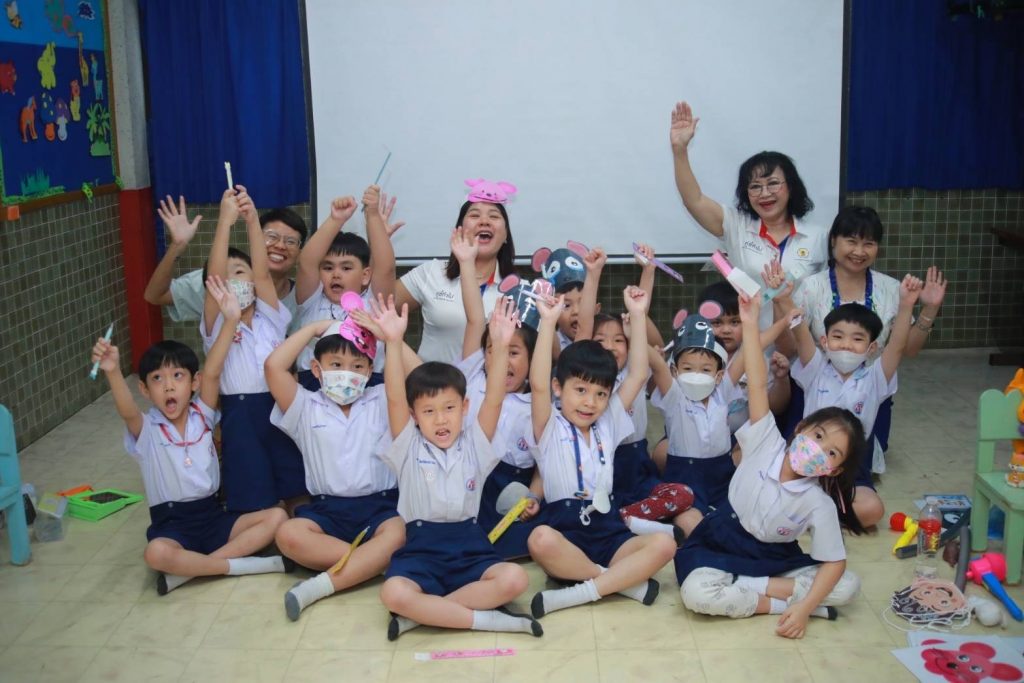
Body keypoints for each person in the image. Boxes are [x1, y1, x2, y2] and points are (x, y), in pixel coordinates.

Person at [676, 293, 862, 639]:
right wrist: (749, 323)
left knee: (847, 586)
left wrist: (804, 611)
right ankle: (775, 600)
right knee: (695, 594)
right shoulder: (766, 441)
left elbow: (836, 562)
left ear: (834, 470)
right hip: (722, 541)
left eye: (832, 453)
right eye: (818, 435)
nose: (818, 450)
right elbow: (758, 383)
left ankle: (751, 585)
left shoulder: (817, 502)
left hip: (774, 558)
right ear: (800, 428)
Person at [90, 277, 291, 595]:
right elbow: (128, 411)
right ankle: (237, 566)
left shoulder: (203, 415)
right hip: (172, 524)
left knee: (278, 517)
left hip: (213, 516)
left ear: (193, 383)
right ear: (144, 389)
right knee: (156, 553)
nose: (169, 386)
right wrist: (113, 371)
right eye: (157, 379)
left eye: (177, 376)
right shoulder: (148, 430)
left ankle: (193, 569)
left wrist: (231, 320)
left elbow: (213, 370)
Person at [374, 294, 542, 640]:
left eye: (449, 408)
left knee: (515, 579)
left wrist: (498, 343)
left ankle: (423, 616)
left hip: (470, 544)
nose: (441, 420)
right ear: (413, 415)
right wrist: (392, 343)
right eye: (429, 411)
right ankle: (492, 620)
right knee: (392, 593)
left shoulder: (475, 443)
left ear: (465, 407)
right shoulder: (408, 445)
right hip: (421, 546)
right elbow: (393, 396)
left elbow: (494, 397)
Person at [526, 286, 677, 618]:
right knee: (539, 539)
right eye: (579, 390)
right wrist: (548, 321)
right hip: (564, 529)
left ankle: (574, 594)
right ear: (558, 388)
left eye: (599, 393)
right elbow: (537, 383)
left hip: (606, 526)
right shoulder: (549, 425)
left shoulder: (608, 423)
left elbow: (638, 374)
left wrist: (637, 317)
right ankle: (620, 583)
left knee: (665, 544)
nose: (589, 402)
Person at [264, 307, 406, 621]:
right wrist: (315, 327)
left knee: (399, 533)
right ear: (317, 369)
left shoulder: (383, 397)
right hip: (328, 510)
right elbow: (273, 367)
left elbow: (421, 374)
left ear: (370, 371)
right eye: (336, 365)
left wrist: (392, 341)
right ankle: (373, 565)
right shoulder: (304, 405)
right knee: (288, 534)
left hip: (381, 508)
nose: (347, 373)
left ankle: (320, 586)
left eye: (357, 366)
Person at [791, 206, 948, 463]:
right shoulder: (811, 287)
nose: (859, 251)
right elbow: (796, 341)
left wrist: (929, 308)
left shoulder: (890, 288)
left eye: (869, 244)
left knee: (864, 456)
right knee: (809, 456)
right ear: (833, 241)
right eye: (851, 241)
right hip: (817, 392)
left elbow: (908, 349)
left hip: (869, 392)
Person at [640, 298, 800, 536]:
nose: (696, 374)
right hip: (684, 476)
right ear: (675, 371)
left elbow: (751, 348)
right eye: (687, 368)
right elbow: (655, 363)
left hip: (720, 475)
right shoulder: (674, 395)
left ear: (718, 374)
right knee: (690, 523)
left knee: (739, 518)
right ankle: (658, 518)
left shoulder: (723, 389)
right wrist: (635, 319)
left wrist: (784, 322)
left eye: (705, 369)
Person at [669, 101, 828, 331]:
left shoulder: (818, 237)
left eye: (773, 184)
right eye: (755, 187)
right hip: (750, 349)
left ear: (791, 187)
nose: (765, 194)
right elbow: (694, 200)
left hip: (803, 353)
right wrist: (679, 151)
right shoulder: (736, 225)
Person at [781, 273, 924, 527]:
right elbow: (801, 332)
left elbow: (897, 346)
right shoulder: (814, 368)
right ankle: (817, 509)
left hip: (850, 465)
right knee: (773, 496)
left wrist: (906, 306)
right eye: (838, 337)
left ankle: (816, 511)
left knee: (872, 510)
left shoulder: (875, 377)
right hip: (807, 459)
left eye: (857, 339)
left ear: (871, 348)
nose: (846, 345)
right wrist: (783, 298)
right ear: (824, 342)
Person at [201, 186, 304, 512]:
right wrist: (224, 222)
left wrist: (250, 222)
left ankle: (299, 529)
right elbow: (215, 274)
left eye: (240, 273)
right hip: (239, 415)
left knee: (294, 480)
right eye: (227, 277)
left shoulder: (270, 317)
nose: (235, 282)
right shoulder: (217, 323)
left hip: (279, 409)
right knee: (251, 487)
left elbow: (261, 271)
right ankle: (261, 529)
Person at [452, 226, 544, 559]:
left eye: (513, 351)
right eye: (494, 348)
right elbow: (476, 318)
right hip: (466, 477)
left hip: (512, 486)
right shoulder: (474, 370)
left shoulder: (540, 400)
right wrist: (466, 262)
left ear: (534, 359)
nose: (501, 357)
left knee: (528, 539)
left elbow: (545, 464)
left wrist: (532, 498)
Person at [396, 180, 517, 363]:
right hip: (428, 388)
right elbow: (380, 308)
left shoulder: (520, 291)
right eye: (474, 215)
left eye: (494, 216)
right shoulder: (431, 272)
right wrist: (417, 371)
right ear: (460, 229)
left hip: (490, 390)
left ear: (506, 234)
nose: (484, 221)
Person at [292, 187, 396, 390]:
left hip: (368, 384)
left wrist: (372, 215)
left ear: (365, 275)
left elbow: (386, 267)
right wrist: (335, 219)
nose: (336, 274)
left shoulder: (374, 303)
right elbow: (306, 262)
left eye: (346, 267)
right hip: (314, 383)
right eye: (328, 267)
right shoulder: (311, 301)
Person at [144, 195, 308, 323]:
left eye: (291, 241)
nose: (280, 246)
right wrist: (177, 245)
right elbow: (156, 295)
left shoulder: (304, 297)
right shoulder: (220, 284)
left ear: (300, 252)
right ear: (255, 239)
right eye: (271, 237)